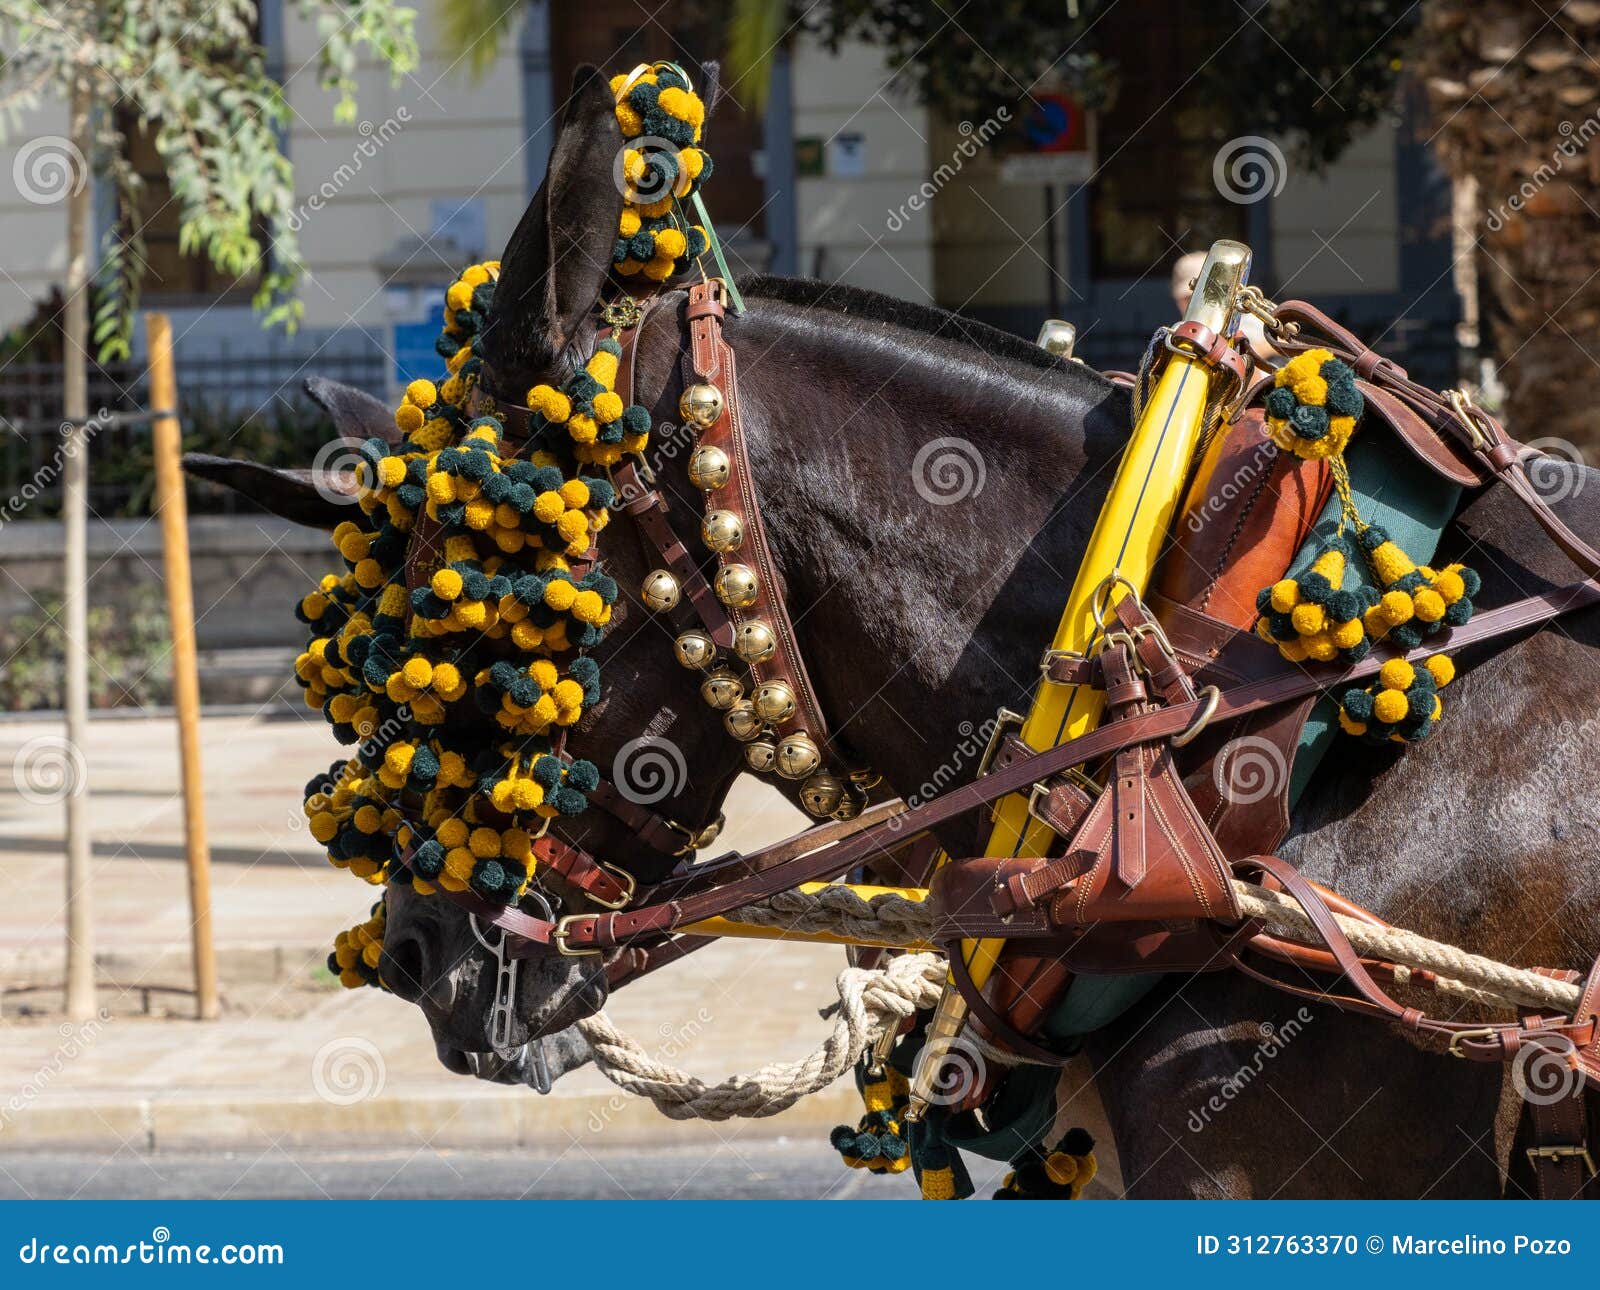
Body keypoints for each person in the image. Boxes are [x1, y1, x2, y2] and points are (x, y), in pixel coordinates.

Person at [1171, 251, 1278, 367]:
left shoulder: (1247, 321)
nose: (1193, 304)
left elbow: (1278, 345)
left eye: (1201, 297)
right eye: (1187, 299)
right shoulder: (1177, 332)